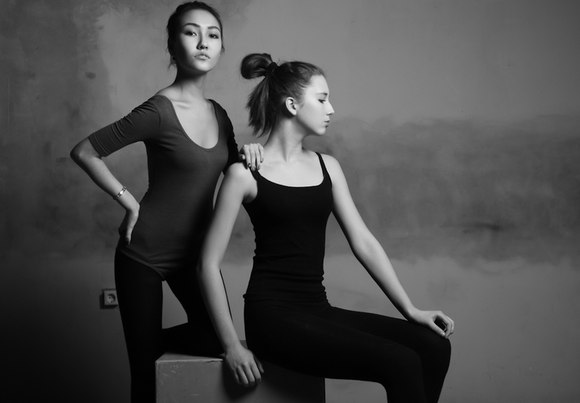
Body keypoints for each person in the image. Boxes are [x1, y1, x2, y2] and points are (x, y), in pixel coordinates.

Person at [198, 53, 454, 403]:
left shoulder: (328, 167)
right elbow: (207, 263)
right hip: (272, 318)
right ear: (292, 105)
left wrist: (410, 309)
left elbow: (363, 242)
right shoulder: (244, 173)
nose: (331, 109)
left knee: (433, 346)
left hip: (317, 309)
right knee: (401, 362)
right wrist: (231, 345)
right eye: (322, 99)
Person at [70, 3, 264, 402]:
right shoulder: (158, 111)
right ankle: (143, 350)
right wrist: (128, 202)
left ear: (222, 47)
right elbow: (85, 151)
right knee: (145, 379)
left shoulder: (219, 115)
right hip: (142, 254)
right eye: (191, 32)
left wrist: (251, 152)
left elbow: (234, 174)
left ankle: (145, 344)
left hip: (194, 257)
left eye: (213, 35)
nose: (203, 42)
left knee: (219, 339)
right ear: (173, 45)